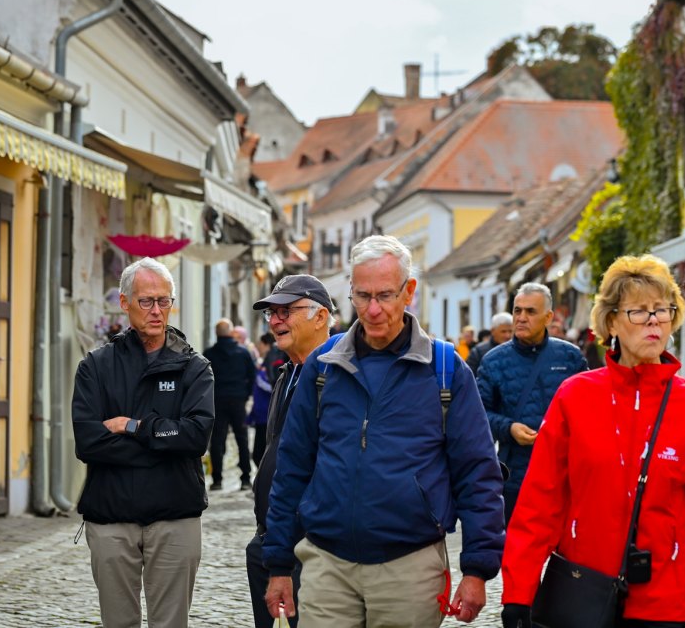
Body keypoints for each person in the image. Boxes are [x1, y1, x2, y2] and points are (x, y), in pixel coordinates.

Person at [264, 235, 505, 628]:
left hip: (410, 567)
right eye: (362, 296)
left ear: (409, 292)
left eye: (385, 295)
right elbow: (292, 467)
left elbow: (477, 472)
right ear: (351, 292)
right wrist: (278, 563)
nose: (373, 309)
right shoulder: (323, 366)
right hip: (327, 563)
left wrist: (477, 569)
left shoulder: (445, 370)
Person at [499, 254, 685, 628]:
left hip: (662, 601)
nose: (654, 321)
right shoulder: (574, 397)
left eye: (662, 310)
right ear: (611, 321)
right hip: (582, 592)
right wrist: (518, 594)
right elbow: (539, 503)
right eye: (638, 311)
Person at [72, 258, 214, 628]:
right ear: (125, 302)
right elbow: (88, 443)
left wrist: (133, 426)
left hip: (176, 515)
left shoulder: (194, 367)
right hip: (111, 516)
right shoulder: (96, 366)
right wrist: (164, 444)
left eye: (164, 301)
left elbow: (196, 437)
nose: (156, 310)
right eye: (146, 301)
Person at [245, 274, 334, 628]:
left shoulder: (337, 376)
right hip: (272, 537)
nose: (276, 321)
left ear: (321, 316)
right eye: (272, 313)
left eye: (287, 311)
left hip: (312, 544)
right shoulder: (287, 374)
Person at [477, 283, 585, 524]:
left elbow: (588, 412)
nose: (521, 318)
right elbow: (478, 415)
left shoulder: (571, 357)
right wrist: (509, 428)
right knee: (516, 543)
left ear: (548, 317)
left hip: (563, 474)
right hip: (515, 477)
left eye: (530, 311)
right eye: (517, 310)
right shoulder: (493, 361)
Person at [206, 318, 257, 491]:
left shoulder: (209, 354)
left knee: (217, 440)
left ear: (216, 333)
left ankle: (217, 480)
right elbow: (252, 375)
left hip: (217, 400)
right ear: (231, 332)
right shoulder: (243, 352)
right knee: (242, 439)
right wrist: (246, 394)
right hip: (238, 400)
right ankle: (246, 478)